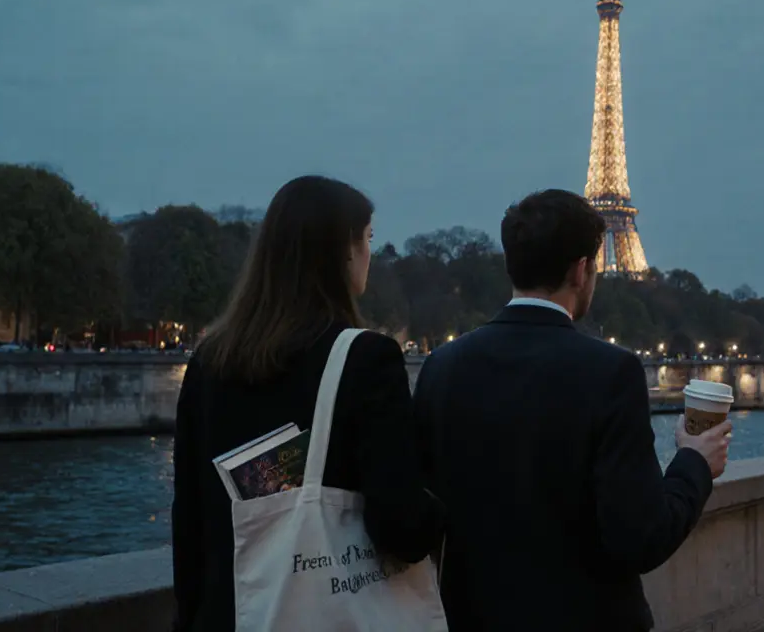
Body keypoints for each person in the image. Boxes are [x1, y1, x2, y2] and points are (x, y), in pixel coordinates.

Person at [413, 189, 731, 632]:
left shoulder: (441, 367)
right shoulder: (611, 371)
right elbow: (640, 538)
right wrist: (694, 462)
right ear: (581, 269)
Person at [171, 175, 444, 631]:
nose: (370, 253)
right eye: (369, 237)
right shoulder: (366, 358)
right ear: (344, 250)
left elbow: (190, 521)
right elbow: (400, 527)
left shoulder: (208, 362)